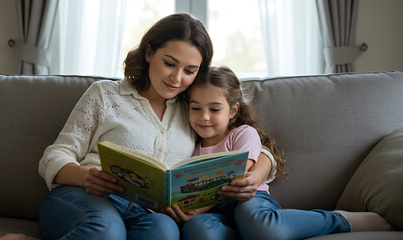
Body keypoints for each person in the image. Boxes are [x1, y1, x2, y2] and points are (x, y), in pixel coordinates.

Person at [34, 13, 274, 240]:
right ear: (149, 52)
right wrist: (85, 176)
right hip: (86, 197)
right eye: (170, 63)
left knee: (165, 232)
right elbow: (55, 155)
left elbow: (258, 150)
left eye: (190, 71)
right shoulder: (105, 94)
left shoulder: (193, 108)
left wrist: (253, 176)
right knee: (107, 231)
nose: (177, 78)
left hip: (147, 213)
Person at [161, 66, 393, 240]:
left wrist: (199, 207)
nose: (204, 116)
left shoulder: (242, 133)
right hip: (218, 212)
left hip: (249, 201)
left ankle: (339, 220)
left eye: (214, 109)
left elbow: (233, 177)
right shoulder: (191, 146)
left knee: (260, 225)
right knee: (196, 230)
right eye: (195, 108)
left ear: (232, 110)